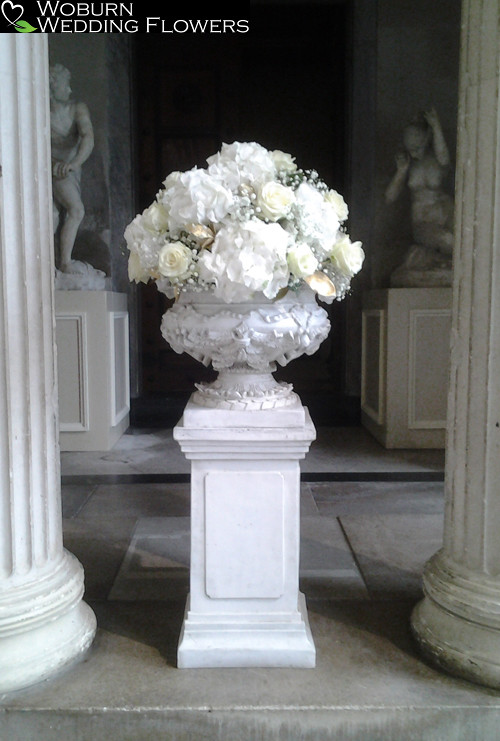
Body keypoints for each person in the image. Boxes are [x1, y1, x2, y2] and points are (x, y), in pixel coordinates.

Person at [385, 107, 454, 261]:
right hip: (423, 220)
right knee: (448, 241)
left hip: (446, 212)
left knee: (463, 238)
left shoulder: (436, 161)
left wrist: (436, 126)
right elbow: (389, 197)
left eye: (416, 135)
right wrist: (401, 172)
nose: (411, 140)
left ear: (425, 137)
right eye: (408, 136)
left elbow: (444, 159)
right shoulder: (408, 165)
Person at [50, 63, 94, 273]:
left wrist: (74, 164)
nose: (69, 90)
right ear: (52, 84)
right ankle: (64, 263)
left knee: (57, 212)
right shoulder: (40, 111)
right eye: (65, 84)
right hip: (53, 168)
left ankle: (58, 262)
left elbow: (88, 137)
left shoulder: (77, 108)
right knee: (74, 210)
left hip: (68, 168)